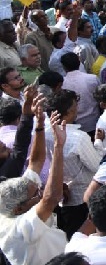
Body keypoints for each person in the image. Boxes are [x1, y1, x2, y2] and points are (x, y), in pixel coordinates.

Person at [0, 106, 68, 265]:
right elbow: (51, 198)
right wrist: (58, 147)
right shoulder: (19, 228)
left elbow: (36, 162)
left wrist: (40, 125)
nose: (40, 193)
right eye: (36, 195)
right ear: (18, 209)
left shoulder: (9, 201)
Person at [45, 90, 102, 239]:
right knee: (83, 235)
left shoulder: (44, 133)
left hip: (61, 194)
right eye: (76, 106)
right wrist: (98, 143)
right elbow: (96, 166)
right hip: (82, 197)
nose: (78, 109)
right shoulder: (78, 138)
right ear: (70, 111)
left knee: (69, 234)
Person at [61, 52, 101, 134]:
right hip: (93, 122)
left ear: (64, 67)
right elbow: (100, 98)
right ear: (79, 63)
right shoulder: (92, 78)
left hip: (74, 126)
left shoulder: (61, 84)